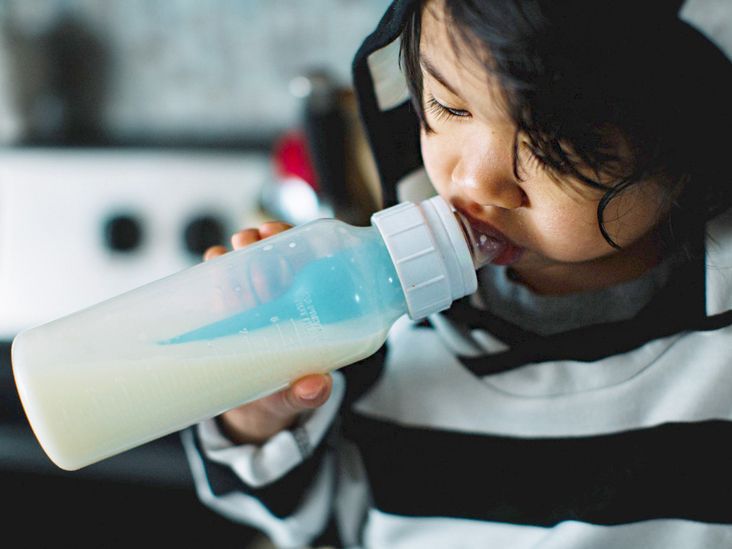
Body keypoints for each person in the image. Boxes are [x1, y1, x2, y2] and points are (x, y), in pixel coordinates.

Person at [181, 1, 732, 547]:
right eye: (449, 107)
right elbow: (301, 522)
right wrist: (258, 413)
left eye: (554, 144)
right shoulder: (377, 325)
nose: (475, 182)